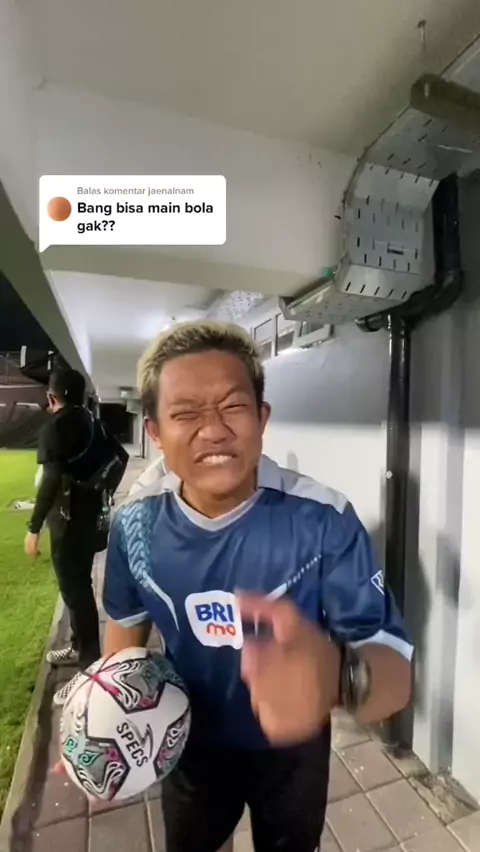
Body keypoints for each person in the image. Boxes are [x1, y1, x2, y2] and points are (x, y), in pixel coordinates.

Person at [70, 322, 413, 852]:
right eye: (187, 413)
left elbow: (394, 683)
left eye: (233, 407)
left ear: (262, 418)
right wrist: (102, 721)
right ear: (155, 432)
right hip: (189, 745)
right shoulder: (134, 526)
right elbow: (124, 638)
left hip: (294, 751)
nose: (213, 430)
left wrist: (336, 680)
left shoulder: (323, 519)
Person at [25, 368, 128, 706]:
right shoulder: (93, 421)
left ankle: (89, 670)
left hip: (67, 523)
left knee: (76, 591)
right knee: (79, 587)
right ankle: (78, 645)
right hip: (91, 520)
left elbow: (50, 483)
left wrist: (33, 528)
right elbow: (122, 457)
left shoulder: (55, 427)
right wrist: (99, 489)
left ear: (52, 397)